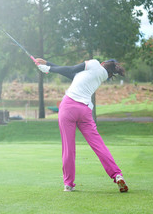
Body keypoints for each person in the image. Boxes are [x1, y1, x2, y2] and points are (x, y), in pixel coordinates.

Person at [35, 58, 128, 193]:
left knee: (68, 148)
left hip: (68, 107)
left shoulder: (94, 63)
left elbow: (72, 69)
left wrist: (49, 69)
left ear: (102, 63)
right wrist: (47, 63)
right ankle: (117, 175)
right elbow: (70, 73)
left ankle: (68, 184)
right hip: (84, 111)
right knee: (99, 145)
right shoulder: (102, 76)